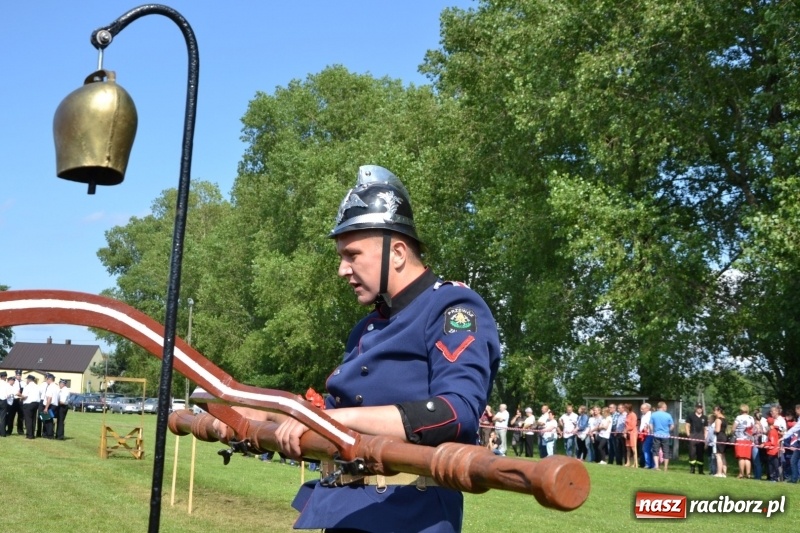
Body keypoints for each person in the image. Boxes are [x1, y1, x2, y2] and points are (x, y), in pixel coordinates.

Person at [215, 165, 501, 533]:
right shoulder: (366, 328)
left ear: (397, 252)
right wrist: (260, 415)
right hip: (345, 512)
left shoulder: (452, 308)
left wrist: (337, 420)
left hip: (409, 516)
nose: (342, 270)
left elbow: (456, 413)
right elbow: (329, 414)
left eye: (352, 255)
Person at [649, 401, 674, 472]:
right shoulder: (668, 415)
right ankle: (665, 468)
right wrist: (668, 431)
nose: (666, 408)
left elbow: (650, 424)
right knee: (666, 451)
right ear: (662, 407)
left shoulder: (653, 415)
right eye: (665, 407)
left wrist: (652, 431)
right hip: (665, 435)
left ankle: (656, 466)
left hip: (656, 435)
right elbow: (672, 425)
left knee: (655, 451)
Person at [733, 404, 754, 479]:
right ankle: (748, 474)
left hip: (740, 439)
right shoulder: (751, 418)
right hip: (748, 439)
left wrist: (733, 433)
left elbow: (733, 428)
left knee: (741, 457)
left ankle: (741, 473)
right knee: (747, 458)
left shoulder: (739, 417)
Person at [685, 403, 706, 474]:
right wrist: (688, 435)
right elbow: (687, 425)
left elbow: (706, 428)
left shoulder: (704, 417)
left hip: (701, 436)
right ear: (695, 408)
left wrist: (705, 438)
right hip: (693, 435)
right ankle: (692, 469)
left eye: (700, 407)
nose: (699, 409)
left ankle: (700, 470)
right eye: (698, 407)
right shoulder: (691, 416)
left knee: (700, 454)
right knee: (692, 453)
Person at [20, 374, 40, 440]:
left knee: (28, 419)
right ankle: (32, 434)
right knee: (33, 419)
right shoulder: (37, 386)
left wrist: (20, 396)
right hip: (36, 403)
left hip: (28, 404)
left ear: (29, 380)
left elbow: (25, 396)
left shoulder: (27, 386)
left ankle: (29, 435)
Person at [40, 373, 57, 439]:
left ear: (50, 379)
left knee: (48, 420)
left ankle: (49, 435)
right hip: (54, 405)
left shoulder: (50, 387)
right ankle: (47, 434)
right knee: (49, 420)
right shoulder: (56, 386)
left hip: (50, 405)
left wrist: (46, 408)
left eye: (47, 379)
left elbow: (49, 398)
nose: (46, 381)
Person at [713, 405, 728, 477]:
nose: (714, 412)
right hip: (724, 437)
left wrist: (713, 430)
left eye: (715, 410)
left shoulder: (718, 419)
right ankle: (724, 473)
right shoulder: (724, 419)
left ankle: (719, 472)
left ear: (719, 411)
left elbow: (717, 430)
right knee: (723, 455)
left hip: (720, 437)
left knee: (718, 455)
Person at [765, 417, 781, 481]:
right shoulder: (775, 430)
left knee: (772, 465)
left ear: (768, 423)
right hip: (775, 450)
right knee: (775, 464)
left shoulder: (772, 431)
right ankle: (775, 477)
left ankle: (773, 478)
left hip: (772, 451)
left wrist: (764, 444)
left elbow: (772, 442)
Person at [639, 403, 654, 468]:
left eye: (642, 409)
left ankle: (649, 464)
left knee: (647, 449)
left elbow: (650, 424)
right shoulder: (643, 416)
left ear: (647, 408)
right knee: (645, 449)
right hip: (643, 435)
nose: (641, 410)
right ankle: (648, 463)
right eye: (641, 408)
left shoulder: (651, 415)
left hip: (649, 434)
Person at [624, 403, 638, 467]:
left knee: (633, 448)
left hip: (633, 433)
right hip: (627, 433)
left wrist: (626, 430)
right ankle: (628, 462)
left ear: (628, 408)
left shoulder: (633, 415)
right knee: (628, 448)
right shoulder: (627, 415)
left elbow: (632, 425)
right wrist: (625, 432)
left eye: (625, 408)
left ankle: (635, 463)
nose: (624, 409)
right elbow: (626, 424)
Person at [0, 372, 9, 437]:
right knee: (3, 417)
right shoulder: (6, 384)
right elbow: (8, 394)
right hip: (3, 400)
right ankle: (3, 433)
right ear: (4, 377)